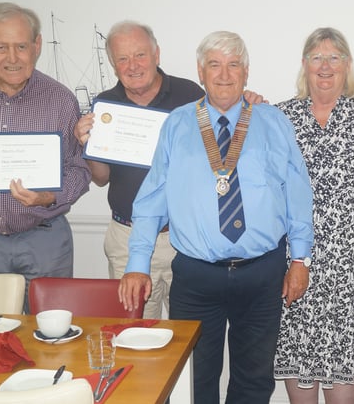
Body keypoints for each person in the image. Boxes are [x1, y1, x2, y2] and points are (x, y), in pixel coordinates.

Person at [119, 31, 314, 403]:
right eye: (214, 65)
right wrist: (137, 262)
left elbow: (297, 192)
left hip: (261, 272)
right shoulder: (177, 124)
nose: (224, 75)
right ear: (200, 71)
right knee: (193, 379)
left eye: (233, 65)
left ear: (246, 72)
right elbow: (151, 198)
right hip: (196, 277)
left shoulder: (273, 121)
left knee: (254, 380)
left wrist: (300, 259)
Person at [274, 27, 354, 403]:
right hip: (295, 264)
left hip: (350, 269)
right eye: (317, 57)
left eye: (334, 57)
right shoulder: (280, 117)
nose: (325, 65)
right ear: (304, 65)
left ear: (347, 65)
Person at [73, 20, 205, 319]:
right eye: (122, 58)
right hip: (127, 239)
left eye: (140, 55)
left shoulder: (191, 95)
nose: (132, 66)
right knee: (133, 335)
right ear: (113, 63)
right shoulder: (105, 105)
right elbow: (101, 178)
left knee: (190, 335)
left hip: (184, 239)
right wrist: (87, 146)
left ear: (157, 54)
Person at [0, 2, 90, 308]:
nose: (12, 58)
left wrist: (49, 196)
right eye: (1, 47)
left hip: (45, 239)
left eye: (21, 46)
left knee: (52, 338)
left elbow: (78, 169)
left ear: (37, 45)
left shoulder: (61, 99)